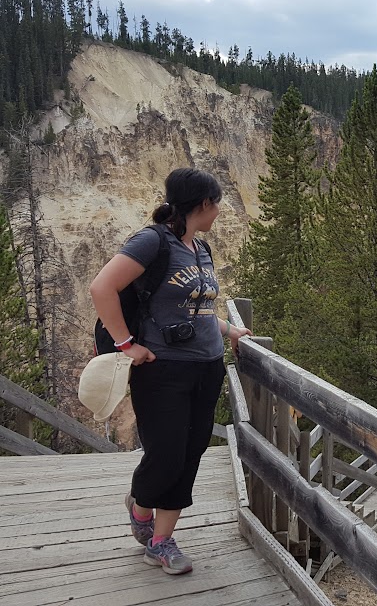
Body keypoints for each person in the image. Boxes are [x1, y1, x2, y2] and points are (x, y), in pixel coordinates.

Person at [90, 168, 251, 575]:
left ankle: (161, 541)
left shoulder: (201, 248)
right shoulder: (152, 241)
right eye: (216, 204)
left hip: (207, 366)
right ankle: (141, 504)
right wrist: (127, 343)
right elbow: (101, 288)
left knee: (191, 453)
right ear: (203, 204)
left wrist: (231, 330)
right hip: (162, 369)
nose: (218, 211)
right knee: (165, 454)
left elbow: (199, 309)